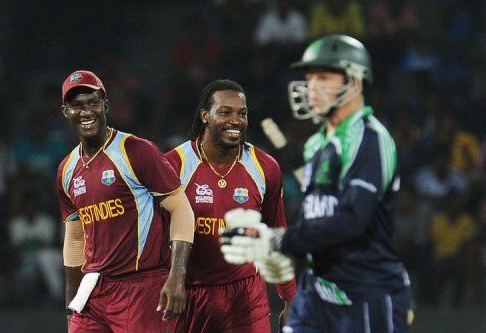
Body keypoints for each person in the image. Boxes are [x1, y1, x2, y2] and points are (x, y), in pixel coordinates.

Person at [221, 35, 413, 332]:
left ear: (356, 81)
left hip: (366, 292)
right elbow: (317, 218)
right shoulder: (315, 145)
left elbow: (351, 221)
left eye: (323, 77)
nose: (312, 88)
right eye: (309, 78)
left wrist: (278, 240)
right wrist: (285, 254)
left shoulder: (369, 138)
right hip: (318, 291)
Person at [56, 70, 194, 333]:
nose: (86, 112)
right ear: (66, 111)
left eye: (92, 103)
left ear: (105, 105)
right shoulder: (66, 169)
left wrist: (177, 275)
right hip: (94, 289)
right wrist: (71, 304)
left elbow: (181, 209)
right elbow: (75, 239)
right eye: (77, 105)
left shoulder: (135, 150)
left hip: (141, 286)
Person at [165, 79, 296, 332]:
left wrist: (290, 297)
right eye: (225, 112)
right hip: (189, 294)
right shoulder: (174, 164)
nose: (236, 120)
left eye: (242, 113)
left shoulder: (265, 167)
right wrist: (169, 280)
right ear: (205, 116)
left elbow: (276, 231)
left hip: (245, 295)